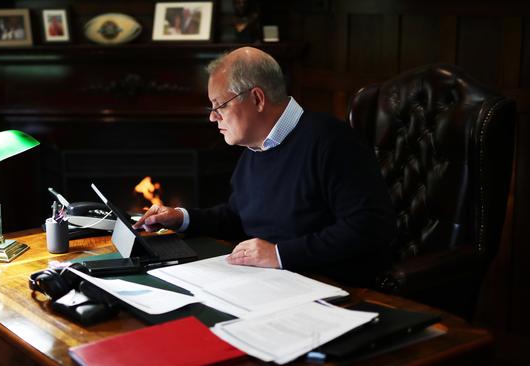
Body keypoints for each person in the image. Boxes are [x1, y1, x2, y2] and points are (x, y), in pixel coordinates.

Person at [133, 47, 396, 286]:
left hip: (326, 288)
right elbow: (239, 217)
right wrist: (181, 218)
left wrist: (279, 254)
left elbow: (368, 227)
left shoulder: (331, 141)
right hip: (266, 282)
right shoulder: (257, 148)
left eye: (220, 106)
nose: (213, 117)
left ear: (257, 99)